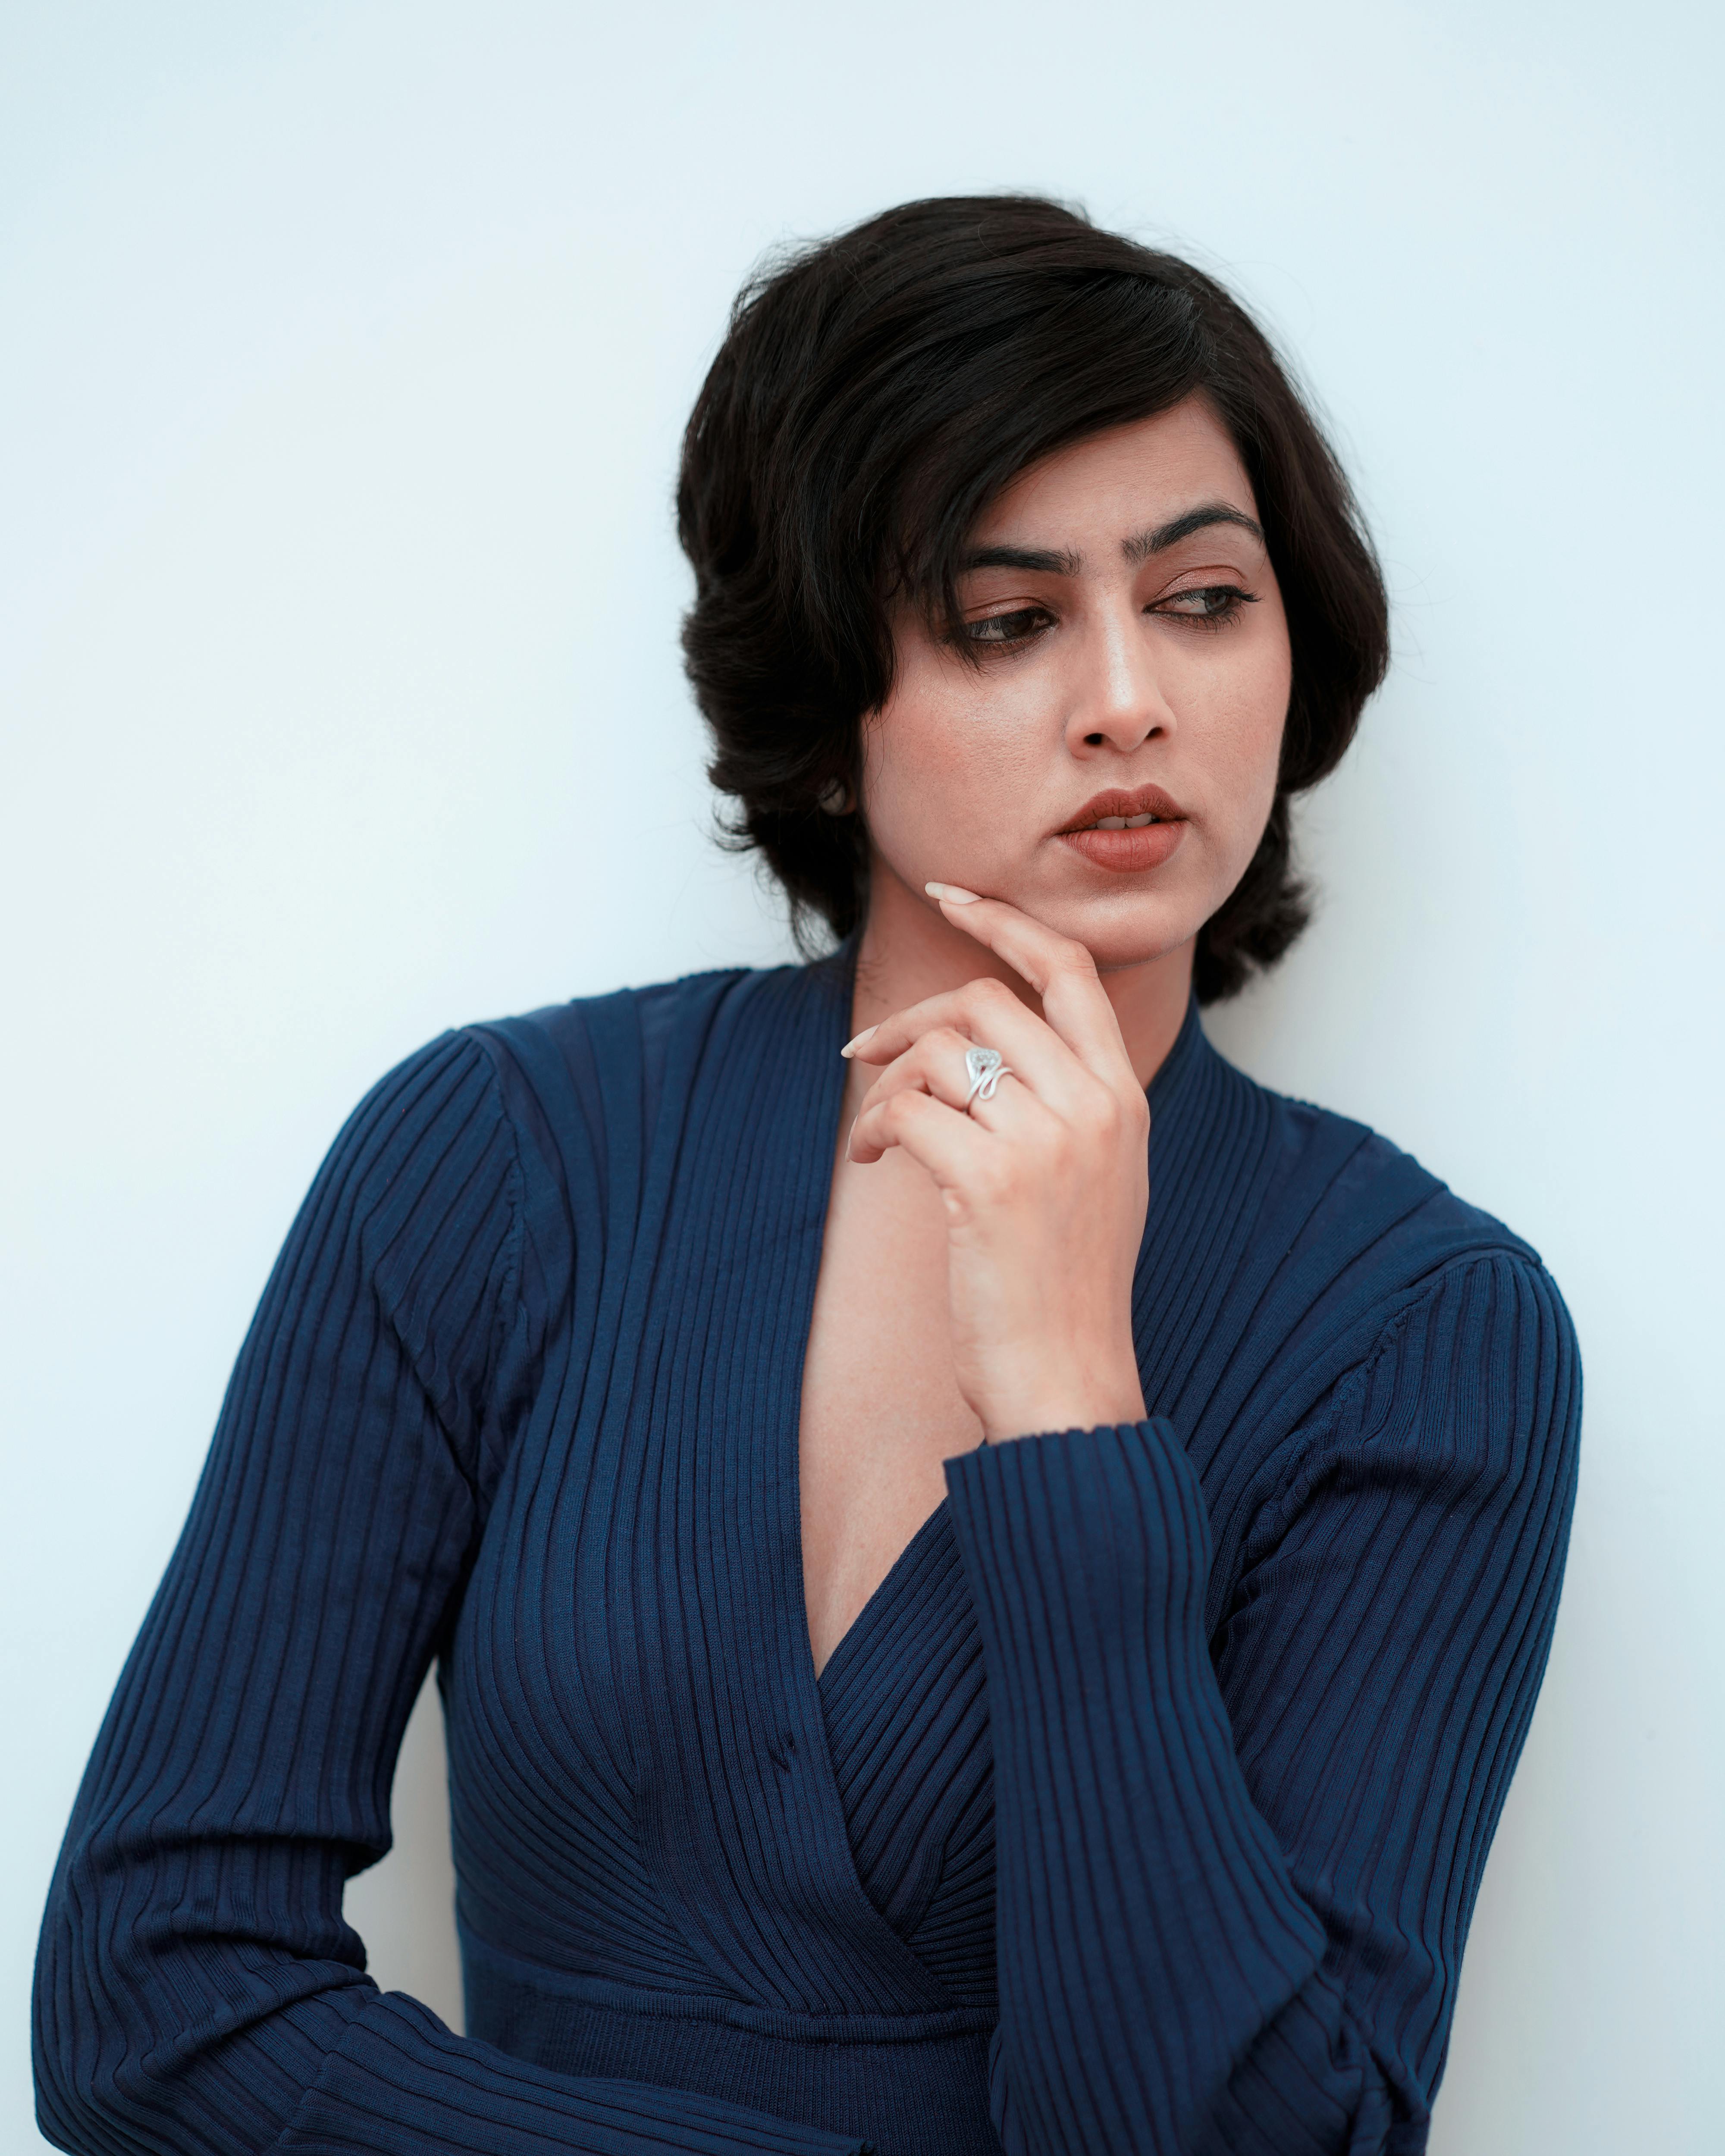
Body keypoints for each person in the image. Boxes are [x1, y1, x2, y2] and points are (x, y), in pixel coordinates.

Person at [34, 195, 1580, 2156]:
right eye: (1008, 621)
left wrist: (1074, 1421)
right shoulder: (501, 1163)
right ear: (826, 716)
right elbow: (149, 1995)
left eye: (1201, 597)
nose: (1129, 696)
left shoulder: (1428, 1336)